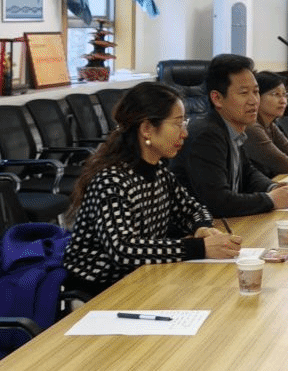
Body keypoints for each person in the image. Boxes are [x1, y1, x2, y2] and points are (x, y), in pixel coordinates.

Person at [63, 82, 242, 297]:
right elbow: (124, 249)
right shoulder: (111, 182)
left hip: (141, 279)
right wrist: (199, 248)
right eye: (178, 124)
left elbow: (194, 209)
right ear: (147, 128)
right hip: (98, 291)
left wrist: (201, 228)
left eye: (184, 123)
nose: (185, 133)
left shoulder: (158, 171)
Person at [172, 54, 288, 217]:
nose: (254, 101)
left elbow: (247, 173)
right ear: (217, 98)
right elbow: (218, 202)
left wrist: (272, 187)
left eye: (256, 92)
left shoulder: (231, 129)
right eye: (244, 93)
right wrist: (271, 200)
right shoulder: (206, 135)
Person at [244, 71, 288, 178]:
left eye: (285, 95)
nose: (283, 101)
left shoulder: (270, 125)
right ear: (257, 97)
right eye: (276, 94)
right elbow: (283, 165)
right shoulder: (251, 127)